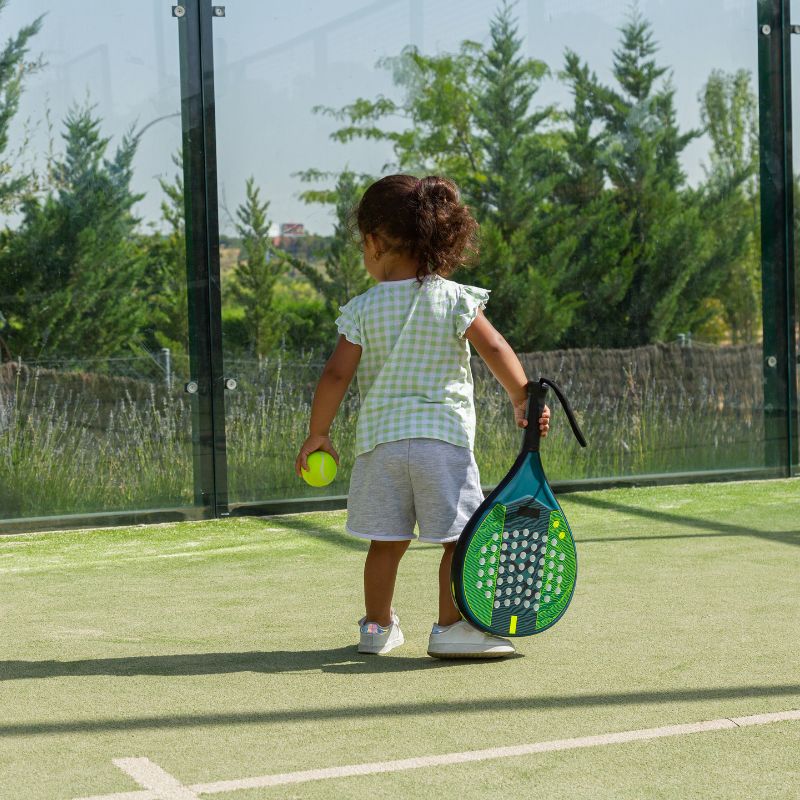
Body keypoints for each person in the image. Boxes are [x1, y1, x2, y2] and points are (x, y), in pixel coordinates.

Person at [294, 174, 550, 659]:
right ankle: (450, 628)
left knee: (385, 542)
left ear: (373, 242)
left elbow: (334, 376)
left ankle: (376, 627)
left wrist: (319, 434)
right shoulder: (454, 297)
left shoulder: (363, 308)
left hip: (382, 446)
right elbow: (494, 347)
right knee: (457, 542)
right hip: (442, 443)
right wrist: (523, 397)